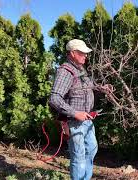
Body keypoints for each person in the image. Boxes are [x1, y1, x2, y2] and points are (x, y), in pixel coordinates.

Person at [49, 39, 112, 180]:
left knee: (91, 149)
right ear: (72, 53)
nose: (85, 55)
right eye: (82, 53)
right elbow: (54, 98)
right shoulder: (66, 71)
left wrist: (102, 88)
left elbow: (89, 86)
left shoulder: (80, 69)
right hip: (74, 122)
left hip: (87, 120)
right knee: (78, 155)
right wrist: (75, 113)